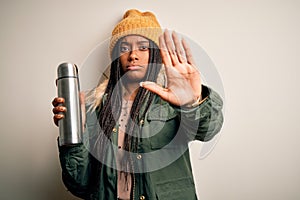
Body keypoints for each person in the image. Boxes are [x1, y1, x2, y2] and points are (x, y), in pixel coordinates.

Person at [52, 9, 223, 200]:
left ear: (156, 55)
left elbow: (208, 131)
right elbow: (80, 185)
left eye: (143, 47)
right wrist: (76, 135)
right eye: (124, 48)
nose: (133, 55)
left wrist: (192, 103)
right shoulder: (96, 107)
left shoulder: (171, 102)